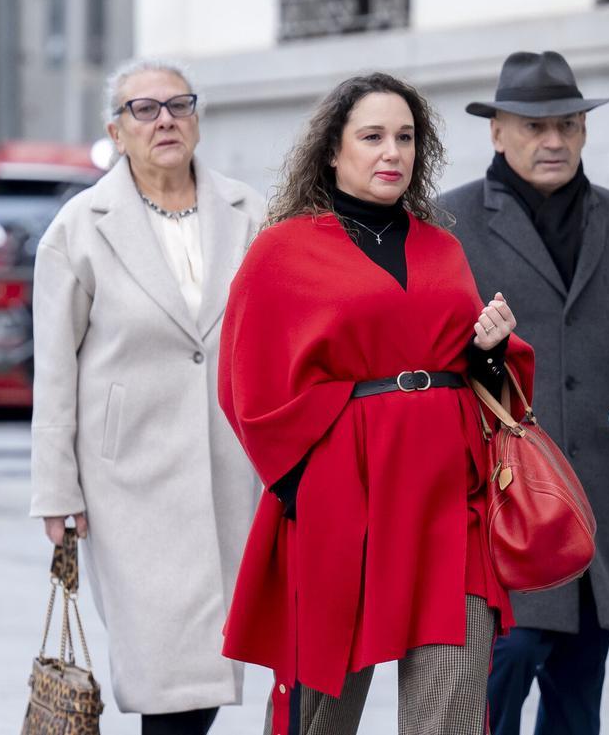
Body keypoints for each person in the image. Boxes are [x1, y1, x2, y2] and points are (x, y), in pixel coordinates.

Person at [217, 72, 537, 735]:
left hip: (449, 501)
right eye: (372, 137)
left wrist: (488, 349)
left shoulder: (441, 246)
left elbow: (472, 374)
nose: (392, 152)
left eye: (405, 137)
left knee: (450, 707)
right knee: (322, 714)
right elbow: (243, 382)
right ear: (333, 151)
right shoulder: (283, 250)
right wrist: (304, 481)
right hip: (343, 498)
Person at [441, 50, 609, 735]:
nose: (553, 140)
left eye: (568, 125)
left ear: (584, 131)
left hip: (595, 499)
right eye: (533, 125)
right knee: (498, 683)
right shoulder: (449, 221)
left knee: (579, 702)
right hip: (505, 500)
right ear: (496, 131)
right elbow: (431, 354)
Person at [28, 58, 265, 735]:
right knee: (163, 670)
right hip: (127, 484)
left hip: (230, 471)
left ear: (197, 119)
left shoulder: (251, 213)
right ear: (116, 130)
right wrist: (56, 491)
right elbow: (54, 373)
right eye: (144, 109)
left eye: (178, 105)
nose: (164, 119)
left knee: (214, 663)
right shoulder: (79, 229)